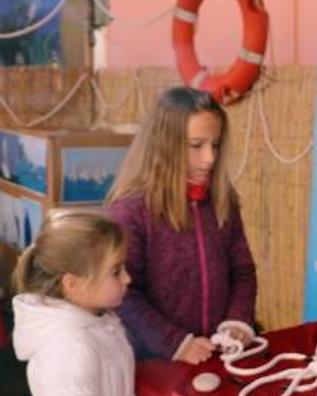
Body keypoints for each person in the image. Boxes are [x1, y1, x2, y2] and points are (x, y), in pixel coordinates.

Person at [107, 87, 257, 364]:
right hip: (154, 363)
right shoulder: (130, 211)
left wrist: (237, 320)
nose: (210, 158)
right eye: (196, 145)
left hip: (218, 354)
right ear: (163, 144)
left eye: (216, 144)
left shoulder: (223, 200)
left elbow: (242, 271)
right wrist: (177, 344)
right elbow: (123, 295)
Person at [12, 209, 148, 396]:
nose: (127, 279)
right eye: (116, 271)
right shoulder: (67, 344)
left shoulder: (97, 321)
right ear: (72, 284)